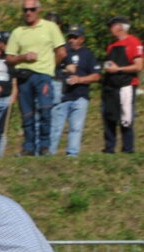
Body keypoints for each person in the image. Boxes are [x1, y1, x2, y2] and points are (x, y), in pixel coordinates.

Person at [5, 1, 65, 156]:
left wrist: (50, 67)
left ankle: (45, 146)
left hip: (43, 76)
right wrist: (23, 57)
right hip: (24, 76)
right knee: (27, 114)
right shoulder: (18, 32)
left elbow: (61, 52)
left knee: (46, 110)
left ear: (38, 10)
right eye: (25, 10)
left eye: (32, 9)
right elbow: (9, 59)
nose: (28, 12)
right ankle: (29, 147)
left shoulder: (50, 27)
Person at [49, 24, 100, 157]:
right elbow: (50, 69)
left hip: (80, 97)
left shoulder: (88, 54)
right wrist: (65, 69)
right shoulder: (62, 53)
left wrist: (79, 79)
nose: (71, 40)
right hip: (61, 96)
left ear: (82, 39)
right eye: (70, 37)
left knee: (75, 129)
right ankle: (49, 155)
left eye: (75, 37)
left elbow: (96, 75)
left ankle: (72, 155)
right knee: (55, 128)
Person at [101, 16, 144, 154]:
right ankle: (109, 147)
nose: (109, 29)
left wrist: (118, 69)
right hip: (111, 86)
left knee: (126, 117)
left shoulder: (133, 42)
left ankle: (128, 148)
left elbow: (138, 66)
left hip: (126, 85)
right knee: (109, 116)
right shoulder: (111, 46)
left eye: (111, 26)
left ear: (119, 27)